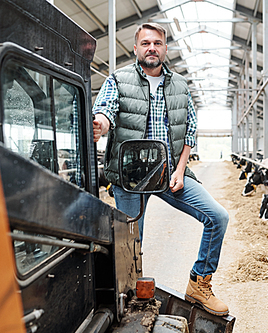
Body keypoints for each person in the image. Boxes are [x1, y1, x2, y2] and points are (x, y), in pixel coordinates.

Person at [92, 23, 229, 316]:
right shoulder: (118, 79)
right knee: (130, 247)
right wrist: (100, 124)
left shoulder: (179, 85)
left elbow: (189, 129)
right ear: (136, 48)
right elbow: (106, 109)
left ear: (165, 49)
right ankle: (128, 299)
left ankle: (199, 284)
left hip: (169, 173)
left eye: (157, 43)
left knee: (217, 217)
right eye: (145, 43)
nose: (151, 48)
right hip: (130, 178)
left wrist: (181, 169)